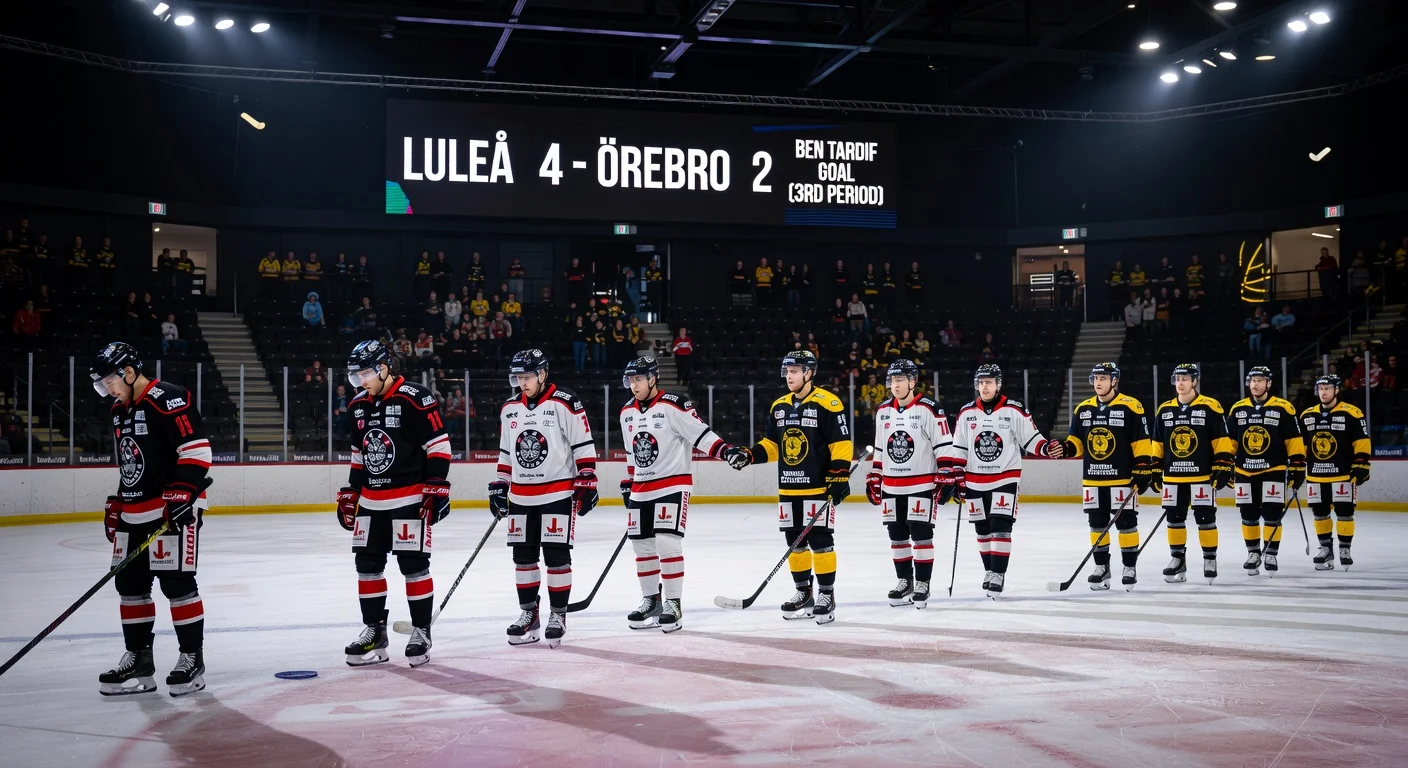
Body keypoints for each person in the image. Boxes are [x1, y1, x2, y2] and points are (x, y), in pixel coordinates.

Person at [89, 342, 212, 697]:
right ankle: (139, 660)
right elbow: (132, 463)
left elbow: (197, 451)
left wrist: (183, 494)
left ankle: (192, 658)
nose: (108, 389)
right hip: (134, 513)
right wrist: (119, 498)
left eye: (110, 380)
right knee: (129, 588)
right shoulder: (119, 409)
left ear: (128, 372)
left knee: (178, 586)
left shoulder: (168, 398)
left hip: (170, 513)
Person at [336, 340, 451, 668]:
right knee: (367, 567)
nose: (361, 381)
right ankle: (374, 631)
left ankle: (421, 631)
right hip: (371, 502)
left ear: (386, 368)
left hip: (410, 498)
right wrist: (352, 492)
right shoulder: (358, 404)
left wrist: (436, 487)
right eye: (356, 375)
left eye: (367, 373)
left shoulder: (415, 398)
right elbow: (360, 455)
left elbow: (438, 446)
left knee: (413, 566)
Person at [618, 356, 746, 632]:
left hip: (672, 485)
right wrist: (629, 482)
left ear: (653, 379)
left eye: (639, 379)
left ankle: (673, 603)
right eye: (631, 380)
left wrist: (726, 451)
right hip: (641, 489)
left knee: (666, 543)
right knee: (642, 547)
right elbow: (632, 453)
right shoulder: (626, 411)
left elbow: (701, 435)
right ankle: (651, 600)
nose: (634, 385)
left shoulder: (674, 405)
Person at [726, 350, 852, 624]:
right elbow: (773, 446)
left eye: (794, 371)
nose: (789, 376)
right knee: (794, 543)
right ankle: (803, 592)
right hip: (789, 489)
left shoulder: (828, 403)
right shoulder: (779, 406)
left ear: (809, 373)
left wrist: (839, 476)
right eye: (787, 371)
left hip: (816, 488)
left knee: (820, 542)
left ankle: (826, 594)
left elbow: (840, 444)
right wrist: (750, 455)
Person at [488, 350, 598, 648]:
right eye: (518, 377)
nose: (521, 383)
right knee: (523, 559)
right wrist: (501, 484)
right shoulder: (510, 408)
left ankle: (558, 615)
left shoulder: (565, 401)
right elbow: (506, 453)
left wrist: (587, 478)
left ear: (542, 374)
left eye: (526, 377)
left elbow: (583, 445)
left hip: (557, 493)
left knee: (556, 558)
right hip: (521, 496)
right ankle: (529, 614)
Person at [948, 364, 1063, 598]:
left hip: (1005, 477)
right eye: (981, 382)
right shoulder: (966, 412)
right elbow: (959, 447)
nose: (984, 386)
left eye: (989, 382)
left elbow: (1030, 438)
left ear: (998, 384)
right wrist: (956, 474)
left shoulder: (1013, 410)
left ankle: (998, 573)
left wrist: (1045, 448)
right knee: (982, 530)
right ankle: (989, 571)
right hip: (974, 480)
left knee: (1000, 527)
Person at [865, 359, 956, 609]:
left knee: (921, 536)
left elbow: (943, 445)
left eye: (900, 379)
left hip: (921, 485)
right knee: (897, 537)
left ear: (913, 382)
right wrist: (875, 475)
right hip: (892, 487)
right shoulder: (883, 410)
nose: (895, 385)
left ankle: (923, 583)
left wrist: (946, 473)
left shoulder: (929, 408)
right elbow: (881, 448)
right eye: (892, 380)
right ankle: (904, 581)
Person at [1060, 362, 1155, 591]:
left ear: (1114, 380)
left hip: (1122, 479)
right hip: (1092, 480)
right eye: (1096, 378)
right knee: (1096, 525)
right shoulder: (1083, 409)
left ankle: (1129, 567)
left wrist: (1143, 468)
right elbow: (1077, 443)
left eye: (1104, 377)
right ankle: (1102, 567)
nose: (1099, 382)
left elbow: (1141, 441)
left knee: (1127, 524)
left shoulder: (1131, 406)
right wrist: (1065, 449)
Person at [1149, 364, 1233, 585]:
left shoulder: (1210, 406)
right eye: (1177, 378)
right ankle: (1177, 559)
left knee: (1205, 519)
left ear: (1194, 381)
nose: (1180, 383)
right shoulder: (1165, 409)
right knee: (1174, 520)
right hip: (1173, 478)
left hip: (1202, 476)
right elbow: (1157, 443)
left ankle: (1210, 559)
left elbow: (1221, 440)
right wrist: (1155, 468)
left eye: (1185, 378)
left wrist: (1223, 464)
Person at [1226, 366, 1305, 577]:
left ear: (1268, 384)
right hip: (1244, 470)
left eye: (1260, 380)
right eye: (1252, 380)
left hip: (1274, 469)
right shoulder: (1238, 408)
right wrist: (1224, 464)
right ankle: (1253, 554)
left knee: (1272, 513)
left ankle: (1271, 553)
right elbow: (1230, 442)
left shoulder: (1283, 408)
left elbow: (1294, 440)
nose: (1255, 384)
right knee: (1248, 515)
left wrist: (1298, 465)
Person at [1300, 373, 1371, 571]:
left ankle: (1344, 549)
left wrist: (1361, 463)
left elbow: (1362, 441)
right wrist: (1296, 464)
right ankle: (1325, 549)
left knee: (1345, 513)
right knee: (1320, 514)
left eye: (1328, 388)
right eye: (1321, 388)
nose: (1323, 392)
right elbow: (1301, 445)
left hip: (1342, 474)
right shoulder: (1307, 415)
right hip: (1315, 475)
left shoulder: (1352, 413)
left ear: (1336, 390)